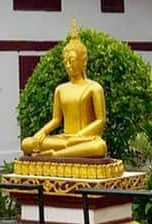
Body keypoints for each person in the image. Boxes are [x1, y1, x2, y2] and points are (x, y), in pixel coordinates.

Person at [21, 24, 108, 159]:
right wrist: (42, 132)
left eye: (72, 60)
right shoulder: (60, 89)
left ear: (83, 61)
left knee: (99, 147)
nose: (68, 65)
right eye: (65, 62)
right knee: (27, 143)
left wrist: (79, 136)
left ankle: (55, 155)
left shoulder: (94, 88)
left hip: (83, 139)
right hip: (64, 139)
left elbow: (100, 120)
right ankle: (66, 152)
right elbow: (56, 119)